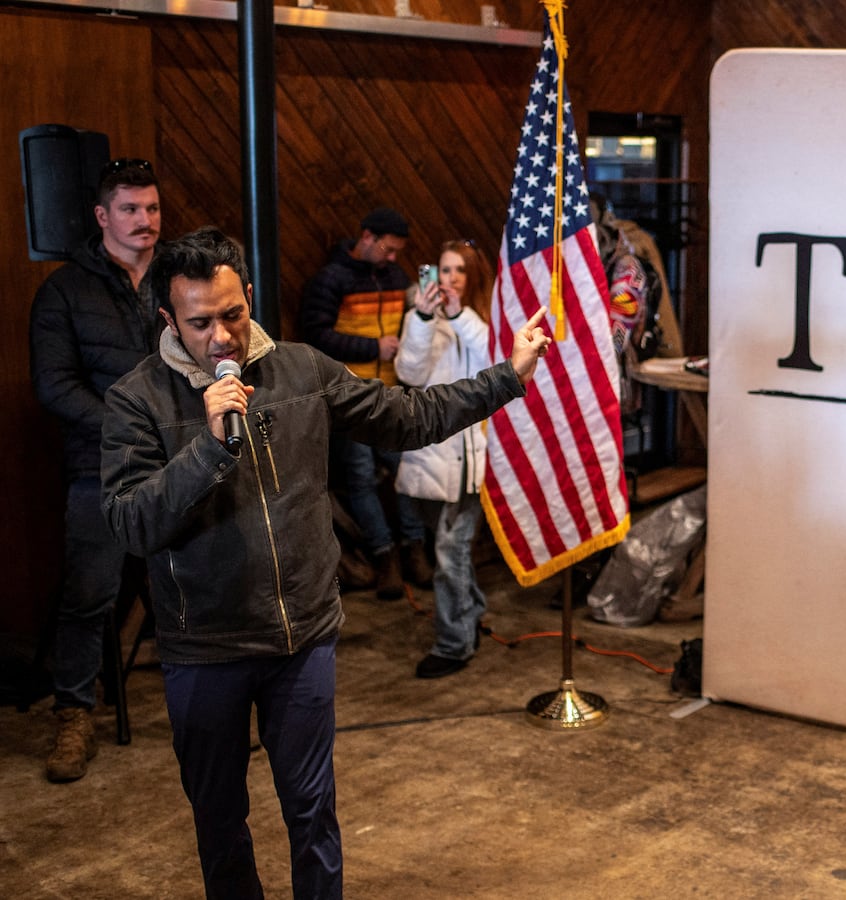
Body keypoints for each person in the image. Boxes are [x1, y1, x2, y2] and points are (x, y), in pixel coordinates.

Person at [100, 227, 552, 897]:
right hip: (205, 648)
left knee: (312, 813)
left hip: (302, 636)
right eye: (200, 323)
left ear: (248, 296)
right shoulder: (136, 400)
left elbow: (406, 415)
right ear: (169, 319)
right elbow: (132, 522)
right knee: (220, 819)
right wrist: (210, 446)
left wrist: (506, 378)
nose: (222, 336)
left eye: (233, 313)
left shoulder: (302, 370)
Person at [28, 156, 165, 783]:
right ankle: (75, 714)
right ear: (102, 216)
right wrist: (127, 426)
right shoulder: (64, 289)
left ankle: (222, 696)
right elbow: (55, 385)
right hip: (101, 465)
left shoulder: (177, 277)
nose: (145, 221)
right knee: (89, 595)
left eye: (153, 208)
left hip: (181, 457)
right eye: (132, 210)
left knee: (208, 575)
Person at [298, 207, 430, 597]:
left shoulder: (396, 277)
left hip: (391, 394)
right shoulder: (330, 280)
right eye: (388, 249)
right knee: (359, 478)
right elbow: (315, 337)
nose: (393, 258)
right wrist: (372, 346)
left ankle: (414, 548)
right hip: (349, 396)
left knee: (407, 468)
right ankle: (384, 556)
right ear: (367, 238)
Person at [394, 239, 495, 678]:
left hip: (470, 456)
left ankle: (454, 643)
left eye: (458, 271)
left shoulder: (482, 319)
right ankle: (470, 613)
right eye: (443, 270)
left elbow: (495, 359)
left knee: (450, 551)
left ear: (472, 277)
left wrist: (458, 315)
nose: (449, 279)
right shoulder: (423, 321)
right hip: (431, 453)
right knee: (448, 549)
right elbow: (409, 372)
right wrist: (421, 316)